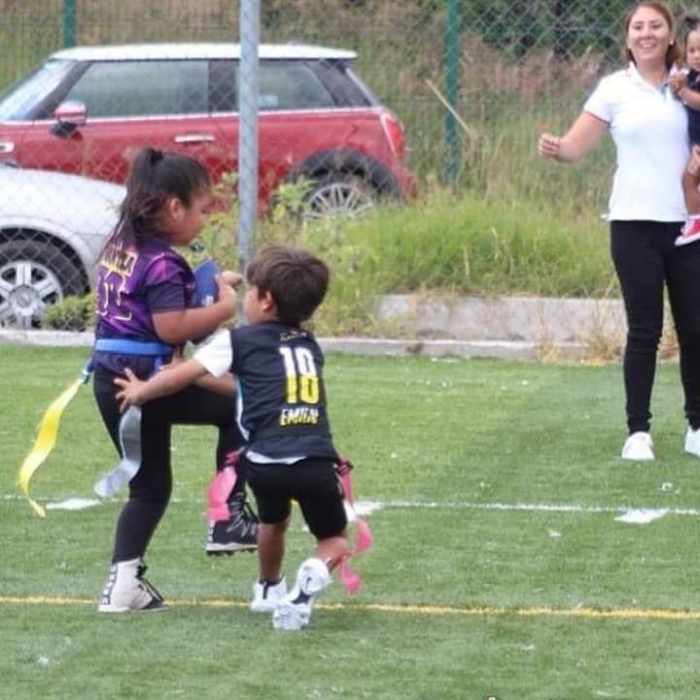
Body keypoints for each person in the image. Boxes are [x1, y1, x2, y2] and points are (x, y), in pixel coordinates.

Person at [114, 245, 349, 631]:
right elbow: (255, 385)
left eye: (250, 291)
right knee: (335, 538)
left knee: (273, 522)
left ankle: (268, 589)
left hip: (264, 462)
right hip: (315, 458)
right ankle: (313, 569)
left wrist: (142, 390)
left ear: (266, 300)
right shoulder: (309, 346)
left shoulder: (238, 341)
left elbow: (185, 375)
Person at [94, 147, 258, 614]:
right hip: (148, 382)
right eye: (202, 209)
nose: (204, 221)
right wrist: (225, 308)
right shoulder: (165, 262)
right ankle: (228, 517)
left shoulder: (120, 245)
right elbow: (171, 327)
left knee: (149, 488)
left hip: (111, 383)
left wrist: (208, 285)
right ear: (173, 207)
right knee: (242, 409)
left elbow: (150, 307)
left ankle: (123, 585)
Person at [538, 1, 700, 462]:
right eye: (637, 27)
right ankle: (638, 431)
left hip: (691, 225)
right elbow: (575, 147)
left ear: (671, 36)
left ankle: (697, 426)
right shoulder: (614, 89)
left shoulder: (689, 82)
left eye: (655, 26)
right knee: (644, 329)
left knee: (696, 329)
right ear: (627, 37)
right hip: (634, 226)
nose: (646, 33)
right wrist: (556, 149)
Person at [670, 17, 700, 245]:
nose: (697, 55)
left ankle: (697, 219)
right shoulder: (690, 76)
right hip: (695, 146)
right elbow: (674, 93)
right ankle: (695, 219)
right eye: (692, 50)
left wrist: (684, 93)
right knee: (689, 181)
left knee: (688, 181)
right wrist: (676, 85)